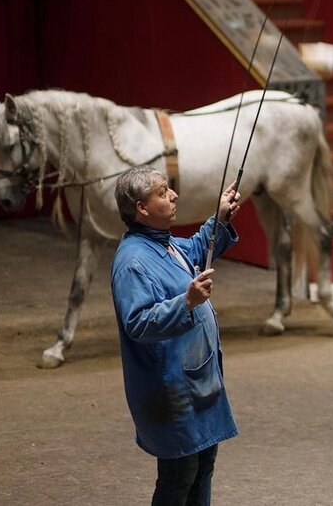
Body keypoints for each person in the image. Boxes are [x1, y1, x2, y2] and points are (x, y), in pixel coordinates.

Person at [110, 167, 242, 505]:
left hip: (195, 383)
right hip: (171, 392)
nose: (174, 196)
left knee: (202, 468)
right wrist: (187, 301)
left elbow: (198, 249)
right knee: (179, 477)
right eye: (163, 191)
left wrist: (220, 219)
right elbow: (137, 323)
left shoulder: (166, 246)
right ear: (141, 207)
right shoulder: (133, 261)